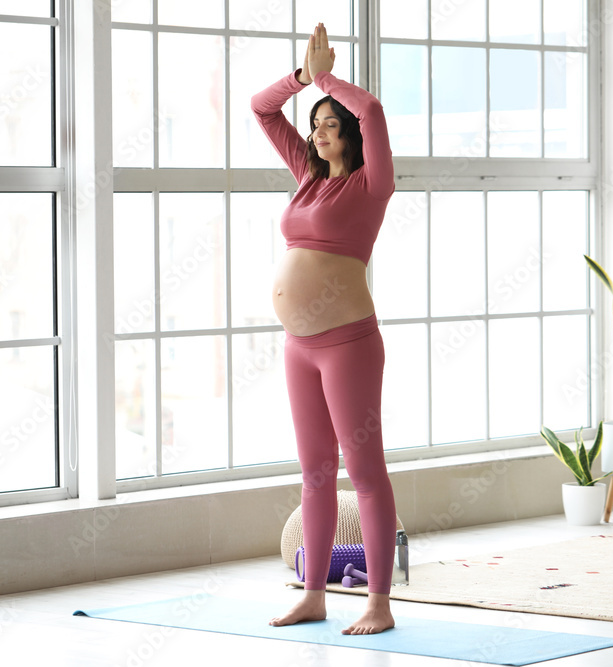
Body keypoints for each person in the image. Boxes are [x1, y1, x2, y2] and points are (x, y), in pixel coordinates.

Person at [251, 23, 397, 635]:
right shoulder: (308, 176)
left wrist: (331, 79)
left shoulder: (371, 184)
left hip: (347, 344)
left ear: (352, 136)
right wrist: (302, 79)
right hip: (298, 347)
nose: (317, 133)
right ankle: (313, 594)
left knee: (363, 471)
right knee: (314, 471)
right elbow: (261, 107)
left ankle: (378, 604)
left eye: (329, 125)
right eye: (315, 124)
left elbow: (374, 107)